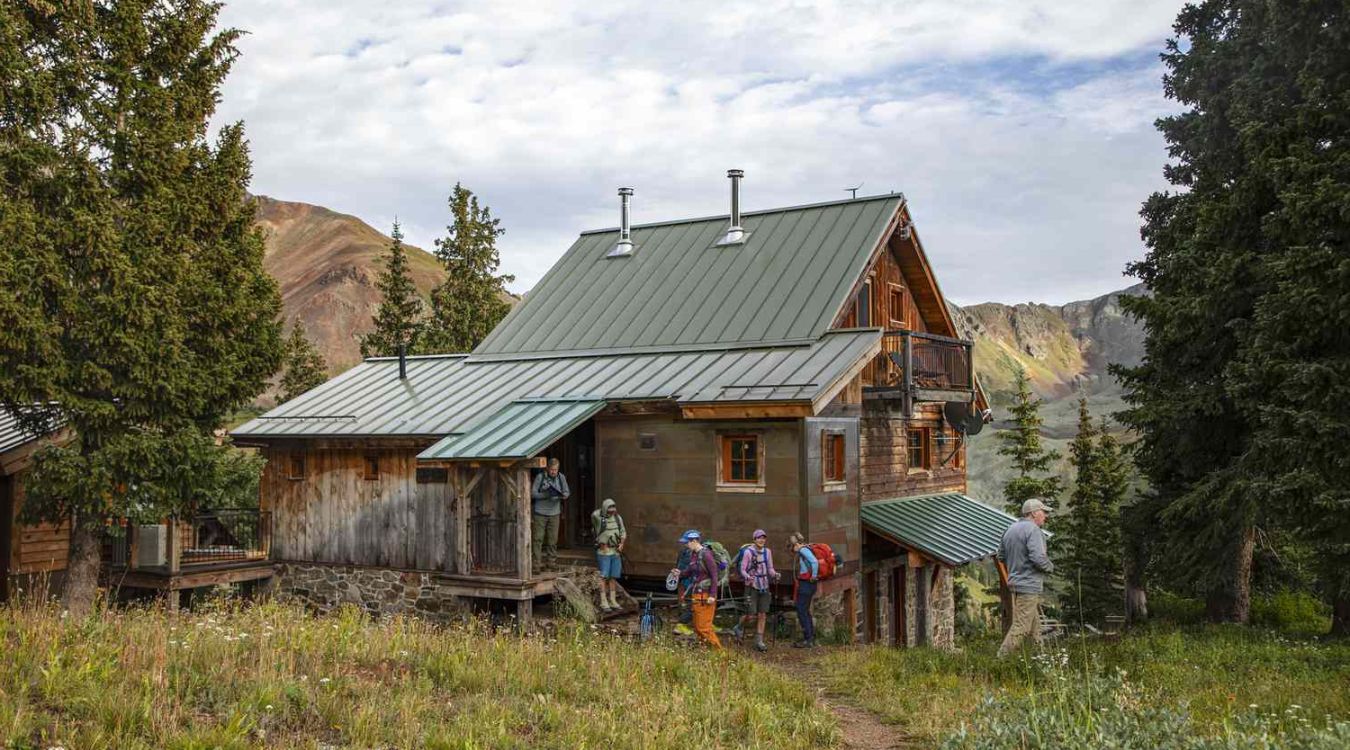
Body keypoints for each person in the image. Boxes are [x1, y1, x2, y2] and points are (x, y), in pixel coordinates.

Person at [997, 498, 1055, 657]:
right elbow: (1038, 558)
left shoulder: (1010, 529)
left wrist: (1017, 564)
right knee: (1021, 627)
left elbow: (1000, 556)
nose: (1045, 516)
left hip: (1015, 584)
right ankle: (999, 660)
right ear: (1034, 513)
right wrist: (1050, 567)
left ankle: (1040, 658)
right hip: (1029, 585)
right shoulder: (1034, 530)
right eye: (1044, 512)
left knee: (1034, 626)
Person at [670, 530, 722, 650]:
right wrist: (679, 573)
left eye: (687, 542)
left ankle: (719, 653)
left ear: (694, 541)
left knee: (704, 627)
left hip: (706, 595)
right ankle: (705, 650)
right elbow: (689, 571)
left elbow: (714, 576)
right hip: (696, 594)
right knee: (698, 627)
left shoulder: (707, 555)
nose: (685, 545)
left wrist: (712, 595)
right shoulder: (694, 555)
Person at [732, 529, 780, 652]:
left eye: (763, 538)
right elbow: (743, 569)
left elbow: (770, 568)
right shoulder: (748, 552)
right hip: (751, 585)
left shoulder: (767, 552)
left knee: (762, 614)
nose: (762, 540)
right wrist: (748, 576)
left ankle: (759, 640)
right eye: (759, 538)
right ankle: (738, 627)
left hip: (764, 585)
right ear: (754, 539)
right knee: (750, 614)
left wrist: (775, 575)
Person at [530, 458, 569, 573]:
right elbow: (533, 493)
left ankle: (551, 563)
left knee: (553, 540)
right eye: (552, 469)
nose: (553, 472)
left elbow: (567, 491)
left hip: (555, 512)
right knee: (538, 539)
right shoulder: (540, 477)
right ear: (547, 468)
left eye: (555, 470)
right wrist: (546, 494)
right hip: (540, 512)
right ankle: (536, 564)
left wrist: (563, 495)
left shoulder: (561, 477)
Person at [590, 498, 626, 612]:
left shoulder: (618, 518)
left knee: (613, 577)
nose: (612, 511)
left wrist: (622, 544)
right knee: (603, 576)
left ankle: (612, 600)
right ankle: (603, 600)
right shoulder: (599, 518)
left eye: (613, 508)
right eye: (609, 509)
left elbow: (623, 532)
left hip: (615, 551)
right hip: (604, 551)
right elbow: (594, 516)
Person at [788, 533, 818, 648]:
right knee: (805, 610)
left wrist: (814, 576)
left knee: (801, 610)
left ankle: (808, 639)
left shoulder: (803, 551)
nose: (792, 550)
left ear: (796, 544)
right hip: (808, 584)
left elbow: (814, 562)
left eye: (792, 547)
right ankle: (810, 637)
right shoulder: (806, 549)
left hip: (807, 584)